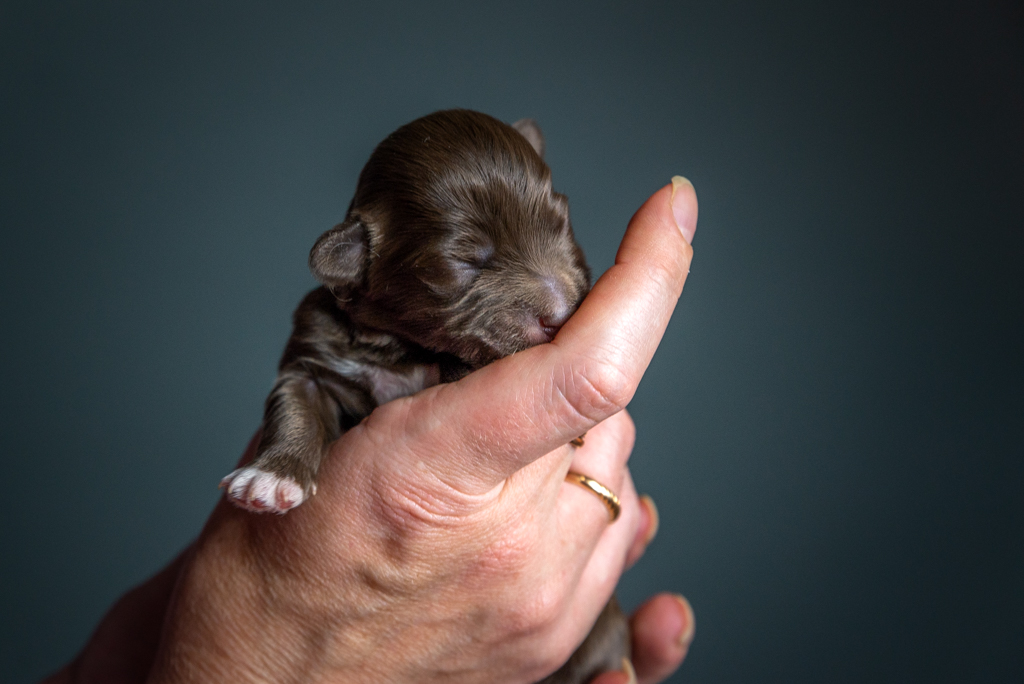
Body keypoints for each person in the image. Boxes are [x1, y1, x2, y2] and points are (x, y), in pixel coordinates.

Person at [45, 178, 699, 684]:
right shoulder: (342, 337)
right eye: (466, 264)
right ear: (355, 265)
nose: (554, 299)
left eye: (552, 222)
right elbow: (308, 388)